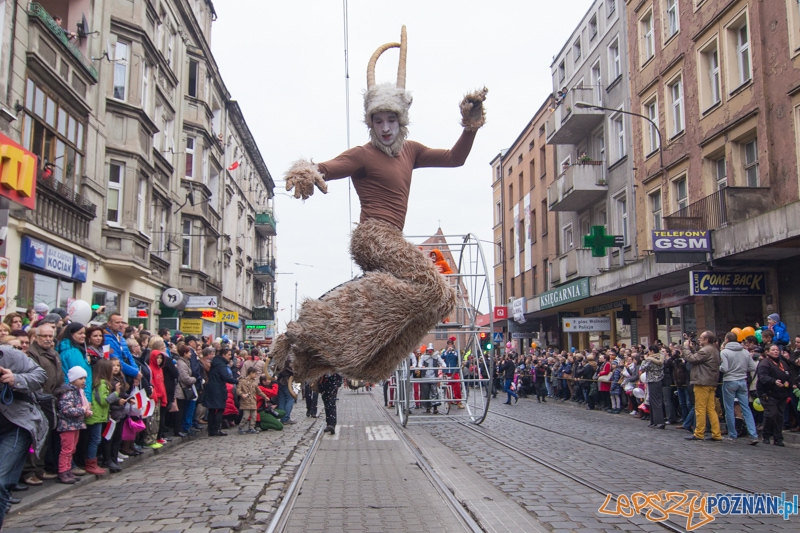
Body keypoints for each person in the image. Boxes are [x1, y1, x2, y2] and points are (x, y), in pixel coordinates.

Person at [272, 26, 487, 384]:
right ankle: (317, 320)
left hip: (392, 237)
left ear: (401, 121)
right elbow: (325, 167)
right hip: (373, 236)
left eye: (391, 120)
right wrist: (307, 171)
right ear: (369, 121)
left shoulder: (411, 150)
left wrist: (470, 127)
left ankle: (367, 360)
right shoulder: (363, 154)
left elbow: (454, 159)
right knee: (434, 288)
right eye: (377, 120)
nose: (385, 128)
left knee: (441, 300)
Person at [0, 344, 48, 529]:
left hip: (17, 424)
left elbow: (40, 375)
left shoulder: (9, 355)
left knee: (1, 480)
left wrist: (15, 379)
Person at [23, 323, 63, 485]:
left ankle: (39, 468)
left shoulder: (53, 352)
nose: (47, 339)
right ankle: (29, 470)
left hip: (51, 398)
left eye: (50, 336)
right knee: (35, 437)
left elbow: (58, 375)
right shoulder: (32, 354)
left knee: (45, 436)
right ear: (36, 337)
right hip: (38, 399)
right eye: (44, 336)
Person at [719, 332, 759, 444]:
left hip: (730, 381)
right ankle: (753, 434)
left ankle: (732, 434)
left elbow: (725, 368)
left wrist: (719, 367)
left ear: (726, 340)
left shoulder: (724, 352)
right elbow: (752, 367)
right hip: (742, 381)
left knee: (729, 408)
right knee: (746, 408)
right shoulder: (745, 351)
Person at [682, 331, 722, 442]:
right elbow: (700, 358)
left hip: (702, 382)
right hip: (710, 382)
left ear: (707, 340)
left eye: (701, 338)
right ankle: (716, 433)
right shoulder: (713, 349)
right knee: (711, 409)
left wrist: (685, 348)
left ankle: (699, 433)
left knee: (700, 408)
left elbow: (692, 359)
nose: (699, 339)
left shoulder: (706, 350)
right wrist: (693, 349)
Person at [56, 366, 90, 484]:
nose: (83, 381)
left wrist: (85, 411)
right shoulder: (68, 393)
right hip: (68, 425)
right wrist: (82, 410)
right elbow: (66, 410)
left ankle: (68, 469)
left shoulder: (78, 392)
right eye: (80, 378)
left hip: (76, 424)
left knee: (72, 449)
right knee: (67, 449)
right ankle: (62, 471)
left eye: (84, 378)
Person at [85, 359, 118, 475]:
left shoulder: (99, 383)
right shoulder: (102, 384)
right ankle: (91, 463)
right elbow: (104, 401)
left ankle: (93, 462)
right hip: (96, 416)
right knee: (95, 440)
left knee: (95, 439)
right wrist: (116, 393)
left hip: (99, 416)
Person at [756, 343, 792, 446]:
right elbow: (762, 377)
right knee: (771, 414)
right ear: (767, 352)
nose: (776, 351)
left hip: (781, 393)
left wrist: (788, 382)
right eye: (773, 350)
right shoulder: (765, 363)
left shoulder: (783, 363)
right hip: (768, 393)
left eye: (777, 350)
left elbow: (789, 375)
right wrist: (774, 381)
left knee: (780, 416)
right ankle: (766, 435)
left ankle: (778, 438)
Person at [204, 348, 238, 436]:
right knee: (220, 409)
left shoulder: (215, 362)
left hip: (211, 387)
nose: (230, 357)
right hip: (218, 389)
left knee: (212, 409)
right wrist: (237, 381)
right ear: (223, 355)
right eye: (229, 355)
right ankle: (216, 429)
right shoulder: (221, 365)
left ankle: (211, 430)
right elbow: (226, 377)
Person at [58, 323, 91, 398]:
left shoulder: (68, 349)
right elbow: (80, 378)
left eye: (84, 333)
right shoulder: (73, 352)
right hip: (78, 394)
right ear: (71, 334)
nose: (84, 336)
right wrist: (87, 398)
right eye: (80, 333)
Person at [104, 314, 141, 381]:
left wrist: (136, 371)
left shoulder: (122, 339)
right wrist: (135, 372)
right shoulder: (107, 339)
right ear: (109, 323)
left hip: (126, 377)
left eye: (122, 322)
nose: (120, 325)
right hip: (115, 378)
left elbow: (129, 356)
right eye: (117, 322)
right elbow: (115, 360)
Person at [236, 367, 268, 434]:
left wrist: (265, 397)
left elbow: (259, 391)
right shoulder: (242, 381)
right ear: (251, 373)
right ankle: (241, 427)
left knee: (254, 416)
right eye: (255, 374)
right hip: (245, 402)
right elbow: (238, 390)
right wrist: (242, 394)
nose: (256, 375)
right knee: (245, 416)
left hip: (253, 401)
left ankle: (251, 428)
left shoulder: (254, 382)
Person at [174, 346, 198, 435]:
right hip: (182, 390)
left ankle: (185, 427)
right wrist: (194, 379)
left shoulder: (185, 362)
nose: (190, 354)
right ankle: (181, 429)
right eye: (189, 352)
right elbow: (184, 378)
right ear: (184, 353)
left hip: (185, 388)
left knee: (185, 409)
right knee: (181, 410)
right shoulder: (182, 363)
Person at [643, 344, 665, 429]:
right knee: (654, 401)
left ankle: (659, 421)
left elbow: (643, 367)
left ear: (652, 351)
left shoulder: (650, 360)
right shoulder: (661, 357)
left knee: (655, 401)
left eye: (649, 351)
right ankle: (654, 421)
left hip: (653, 381)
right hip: (659, 380)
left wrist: (646, 359)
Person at [441, 338, 464, 408]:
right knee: (448, 387)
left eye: (451, 344)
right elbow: (442, 357)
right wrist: (447, 351)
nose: (450, 345)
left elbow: (459, 358)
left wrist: (454, 352)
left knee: (457, 386)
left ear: (453, 345)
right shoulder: (445, 352)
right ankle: (449, 401)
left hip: (454, 371)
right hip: (448, 372)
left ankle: (459, 401)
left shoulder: (456, 352)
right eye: (449, 344)